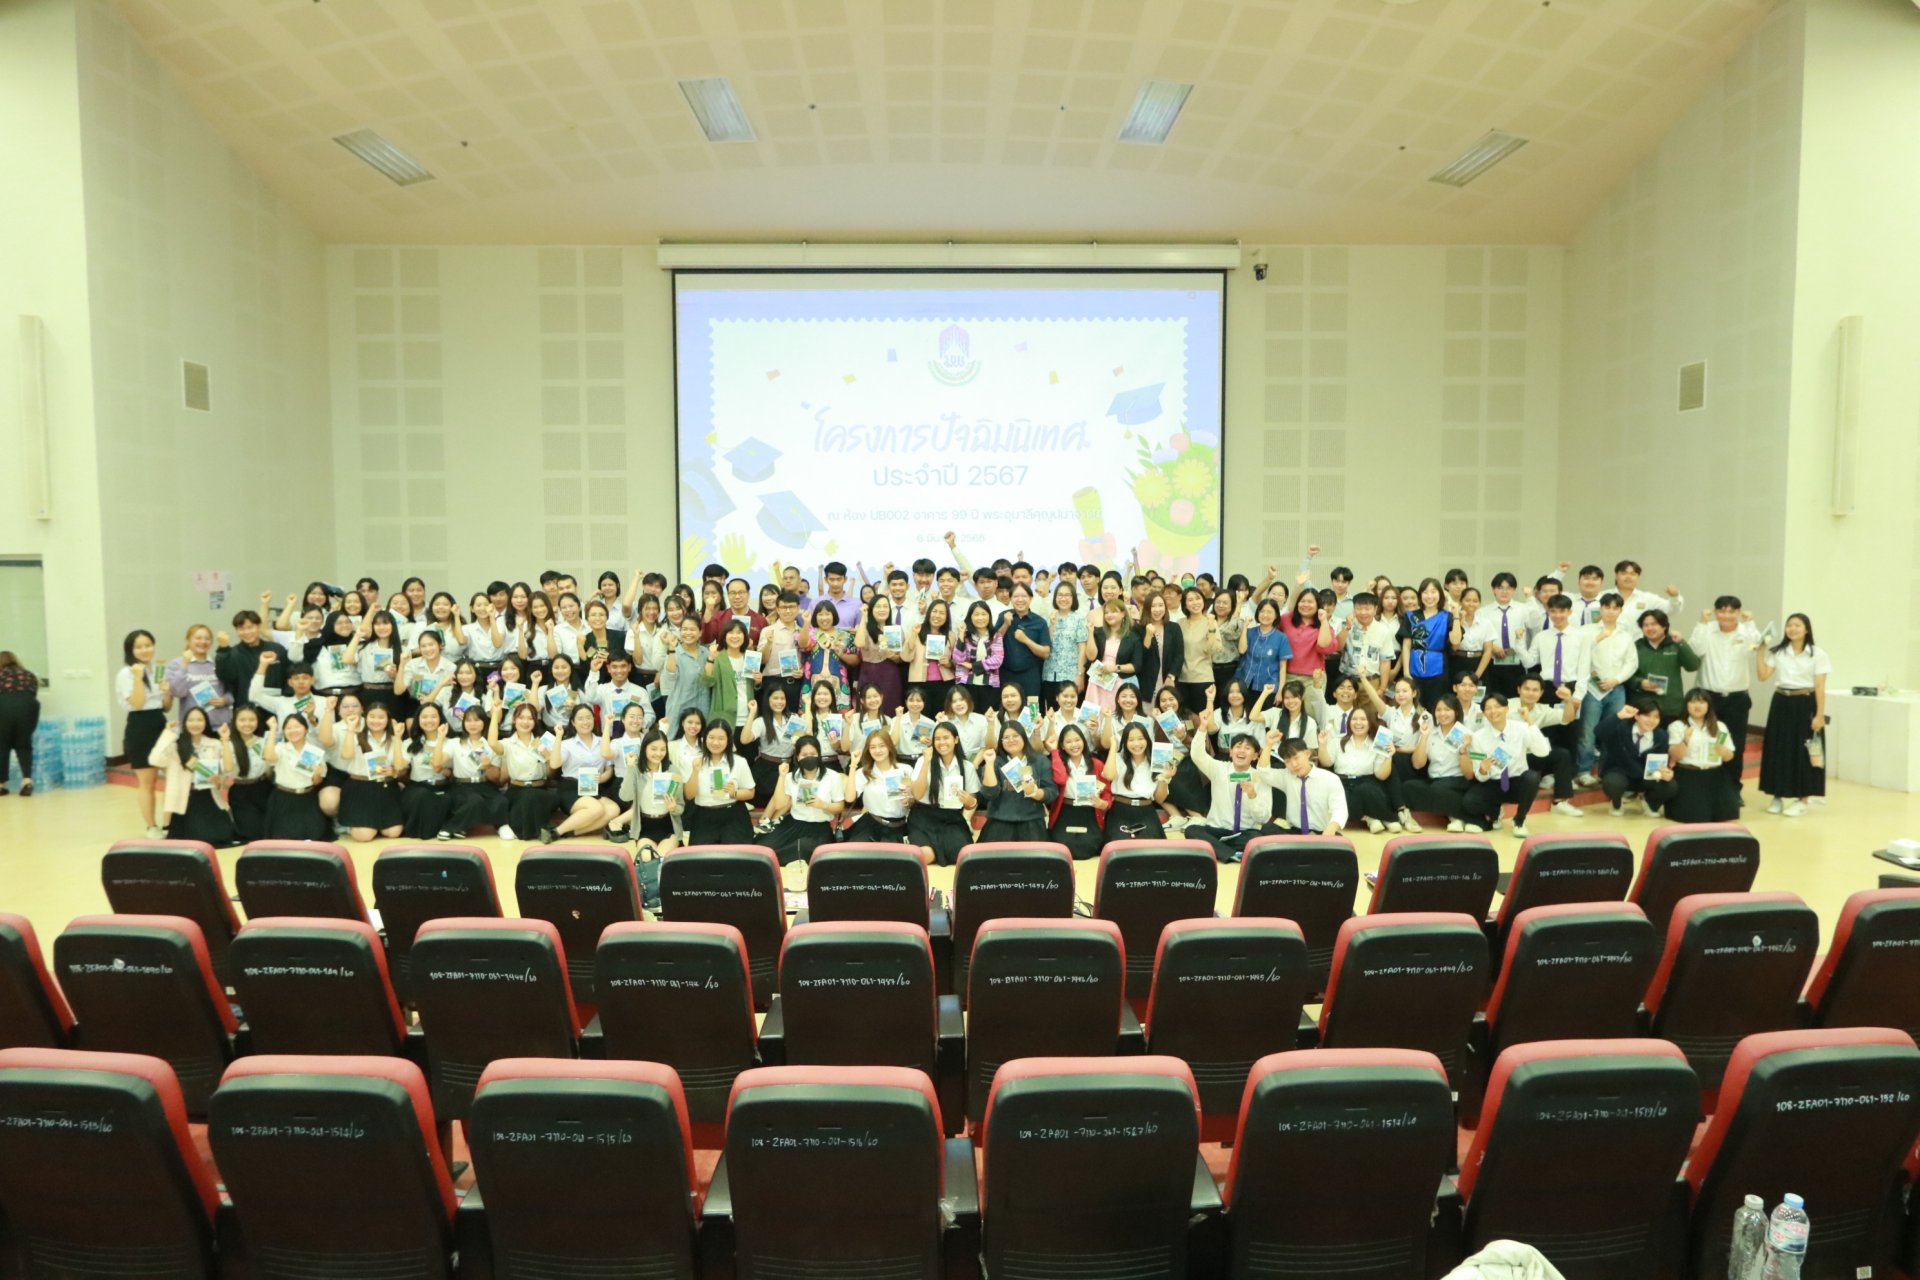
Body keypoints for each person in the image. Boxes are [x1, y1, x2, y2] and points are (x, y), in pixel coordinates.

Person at [1184, 709, 1288, 862]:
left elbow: (1264, 817)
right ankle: (1231, 854)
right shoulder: (1219, 768)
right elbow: (1197, 755)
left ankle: (1220, 849)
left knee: (1259, 837)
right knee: (1192, 830)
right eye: (1238, 747)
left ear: (1255, 756)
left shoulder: (1260, 777)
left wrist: (1252, 795)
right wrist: (1202, 727)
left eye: (1247, 748)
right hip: (1216, 830)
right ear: (1231, 752)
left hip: (1244, 833)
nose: (1242, 751)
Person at [1689, 597, 1762, 804]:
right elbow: (1696, 649)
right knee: (1705, 741)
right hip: (1708, 697)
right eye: (1722, 611)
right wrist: (1702, 622)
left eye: (1732, 612)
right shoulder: (1708, 629)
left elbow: (1754, 646)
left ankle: (1732, 790)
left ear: (1738, 612)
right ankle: (1705, 787)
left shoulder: (1745, 631)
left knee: (1734, 745)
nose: (1727, 616)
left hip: (1737, 698)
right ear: (1715, 611)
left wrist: (1750, 623)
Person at [1756, 613, 1829, 817]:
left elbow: (1820, 686)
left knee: (1804, 752)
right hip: (1781, 702)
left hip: (1805, 702)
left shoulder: (1817, 654)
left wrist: (1820, 715)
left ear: (1806, 629)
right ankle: (1777, 796)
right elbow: (1762, 676)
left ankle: (1803, 799)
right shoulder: (1778, 652)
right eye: (1789, 625)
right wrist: (1760, 652)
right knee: (1777, 747)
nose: (1792, 629)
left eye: (1797, 625)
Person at [1461, 692, 1550, 838]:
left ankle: (1519, 820)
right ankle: (1495, 813)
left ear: (1506, 709)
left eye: (1497, 707)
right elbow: (1480, 775)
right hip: (1494, 783)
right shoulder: (1479, 737)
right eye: (1488, 708)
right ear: (1484, 713)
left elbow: (1543, 752)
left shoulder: (1521, 728)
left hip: (1516, 782)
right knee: (1470, 802)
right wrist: (1483, 770)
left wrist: (1530, 721)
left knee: (1532, 777)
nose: (1493, 711)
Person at [1572, 593, 1635, 788]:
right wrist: (1596, 640)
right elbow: (1576, 656)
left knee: (1613, 732)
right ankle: (1583, 770)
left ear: (1620, 611)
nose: (1610, 611)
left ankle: (1607, 771)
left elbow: (1632, 662)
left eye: (1615, 608)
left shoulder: (1625, 635)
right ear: (1601, 608)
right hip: (1591, 688)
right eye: (1607, 607)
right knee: (1588, 732)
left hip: (1616, 689)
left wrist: (1615, 680)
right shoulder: (1586, 631)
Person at [151, 707, 236, 845]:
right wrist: (167, 733)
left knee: (221, 836)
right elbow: (154, 760)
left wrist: (217, 780)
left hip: (209, 796)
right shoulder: (176, 744)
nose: (195, 723)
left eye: (199, 719)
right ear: (185, 723)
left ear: (206, 722)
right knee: (192, 839)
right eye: (191, 720)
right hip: (185, 799)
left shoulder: (214, 744)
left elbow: (226, 772)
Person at [116, 631, 170, 832]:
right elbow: (137, 704)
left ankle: (169, 824)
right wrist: (138, 678)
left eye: (148, 645)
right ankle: (151, 826)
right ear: (131, 650)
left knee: (172, 777)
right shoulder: (126, 674)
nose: (145, 650)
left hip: (159, 723)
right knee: (148, 782)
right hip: (139, 726)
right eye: (139, 647)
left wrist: (167, 692)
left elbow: (165, 706)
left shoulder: (157, 669)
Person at [761, 736, 843, 867]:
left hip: (819, 827)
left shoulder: (832, 776)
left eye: (813, 754)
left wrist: (823, 805)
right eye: (804, 754)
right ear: (798, 757)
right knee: (764, 849)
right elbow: (779, 804)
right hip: (793, 823)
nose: (809, 757)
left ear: (819, 755)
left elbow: (840, 806)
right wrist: (781, 777)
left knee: (805, 850)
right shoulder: (790, 777)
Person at [908, 721, 979, 865]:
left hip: (951, 817)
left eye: (946, 738)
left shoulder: (967, 766)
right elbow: (916, 794)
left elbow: (972, 804)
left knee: (962, 855)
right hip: (923, 816)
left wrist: (970, 802)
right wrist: (927, 762)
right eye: (937, 739)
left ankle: (938, 850)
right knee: (924, 856)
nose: (941, 742)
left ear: (956, 740)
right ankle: (930, 850)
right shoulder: (923, 761)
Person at [1665, 688, 1739, 823]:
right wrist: (1685, 741)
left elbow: (1729, 757)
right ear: (1686, 705)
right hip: (1688, 774)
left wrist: (1722, 751)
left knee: (1728, 813)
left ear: (1708, 706)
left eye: (1702, 702)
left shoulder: (1720, 727)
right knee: (1696, 816)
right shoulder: (1677, 726)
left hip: (1715, 775)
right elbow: (1675, 756)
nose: (1697, 706)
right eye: (1693, 702)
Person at [1319, 704, 1396, 833]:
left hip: (1367, 783)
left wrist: (1389, 757)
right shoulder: (1338, 740)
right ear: (1349, 722)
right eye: (1354, 719)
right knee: (1341, 797)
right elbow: (1326, 762)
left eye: (1363, 719)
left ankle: (1374, 816)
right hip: (1342, 782)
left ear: (1370, 722)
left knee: (1364, 790)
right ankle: (1369, 817)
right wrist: (1322, 745)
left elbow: (1381, 775)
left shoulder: (1378, 743)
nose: (1358, 723)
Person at [1595, 700, 1677, 819]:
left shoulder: (1661, 736)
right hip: (1619, 772)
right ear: (1637, 715)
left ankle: (1650, 804)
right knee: (1613, 783)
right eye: (1647, 715)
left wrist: (1666, 771)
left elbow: (1661, 759)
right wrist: (1618, 716)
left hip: (1645, 776)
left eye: (1656, 717)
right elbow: (1599, 732)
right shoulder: (1620, 728)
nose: (1651, 720)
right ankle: (1616, 804)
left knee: (1671, 785)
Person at [609, 728, 684, 856]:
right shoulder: (636, 771)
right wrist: (631, 768)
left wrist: (673, 808)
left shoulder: (673, 771)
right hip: (644, 827)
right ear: (644, 749)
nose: (658, 753)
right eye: (653, 749)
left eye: (662, 749)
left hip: (668, 826)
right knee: (647, 860)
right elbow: (625, 797)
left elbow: (680, 807)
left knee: (661, 858)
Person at [489, 701, 556, 844]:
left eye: (530, 718)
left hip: (540, 789)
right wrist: (495, 715)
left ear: (535, 721)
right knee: (524, 797)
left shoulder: (544, 742)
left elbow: (550, 775)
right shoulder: (508, 743)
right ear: (514, 720)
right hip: (517, 790)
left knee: (536, 796)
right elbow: (493, 744)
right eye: (521, 717)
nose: (525, 722)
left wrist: (550, 760)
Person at [336, 703, 405, 842]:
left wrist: (397, 738)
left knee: (394, 832)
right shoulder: (356, 735)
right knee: (364, 836)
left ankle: (374, 824)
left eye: (381, 717)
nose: (376, 721)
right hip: (360, 788)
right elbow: (346, 755)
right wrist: (350, 729)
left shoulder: (393, 738)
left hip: (385, 788)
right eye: (372, 716)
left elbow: (399, 766)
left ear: (388, 720)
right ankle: (352, 826)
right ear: (365, 718)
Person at [262, 709, 332, 840]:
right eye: (288, 728)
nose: (293, 730)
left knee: (315, 837)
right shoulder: (281, 748)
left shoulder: (314, 751)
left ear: (305, 729)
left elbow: (317, 782)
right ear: (284, 731)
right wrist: (272, 729)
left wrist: (316, 774)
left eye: (297, 727)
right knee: (286, 839)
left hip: (307, 799)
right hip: (283, 799)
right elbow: (269, 757)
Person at [1405, 696, 1473, 831]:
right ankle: (1454, 812)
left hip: (1457, 780)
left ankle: (1457, 817)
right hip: (1435, 780)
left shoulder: (1466, 734)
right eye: (1438, 710)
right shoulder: (1430, 732)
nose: (1442, 714)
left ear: (1456, 712)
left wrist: (1463, 751)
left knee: (1438, 789)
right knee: (1409, 787)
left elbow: (1469, 773)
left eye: (1447, 710)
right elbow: (1418, 764)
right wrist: (1424, 737)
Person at [844, 727, 918, 849]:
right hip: (871, 824)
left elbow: (912, 802)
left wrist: (908, 801)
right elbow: (849, 798)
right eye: (873, 747)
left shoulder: (905, 770)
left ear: (889, 747)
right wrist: (853, 765)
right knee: (856, 857)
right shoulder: (864, 772)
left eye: (882, 746)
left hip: (898, 827)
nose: (877, 751)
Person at [687, 719, 756, 844]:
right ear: (704, 738)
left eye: (721, 738)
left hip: (733, 814)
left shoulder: (739, 762)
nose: (715, 742)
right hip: (704, 816)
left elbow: (750, 793)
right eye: (711, 737)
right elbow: (689, 795)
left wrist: (734, 793)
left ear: (728, 740)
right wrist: (695, 771)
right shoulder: (695, 761)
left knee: (736, 857)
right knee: (701, 860)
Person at [1102, 722, 1171, 846]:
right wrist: (1113, 746)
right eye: (1131, 740)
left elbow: (1159, 799)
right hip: (1120, 810)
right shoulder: (1118, 757)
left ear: (1147, 740)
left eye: (1140, 739)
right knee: (1119, 846)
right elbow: (1109, 775)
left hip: (1146, 811)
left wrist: (1165, 778)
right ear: (1125, 742)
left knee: (1151, 848)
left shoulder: (1158, 760)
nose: (1136, 744)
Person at [444, 705, 507, 840]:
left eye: (477, 720)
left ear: (484, 722)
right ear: (463, 723)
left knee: (501, 801)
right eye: (468, 720)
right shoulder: (455, 742)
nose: (472, 724)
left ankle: (465, 827)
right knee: (474, 801)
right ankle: (451, 827)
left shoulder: (491, 745)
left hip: (484, 784)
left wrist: (489, 766)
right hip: (461, 785)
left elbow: (496, 779)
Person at [1047, 722, 1108, 859]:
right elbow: (1061, 779)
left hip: (1089, 810)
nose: (1074, 745)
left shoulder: (1096, 764)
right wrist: (1054, 752)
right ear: (1062, 745)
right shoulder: (1058, 762)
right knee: (1062, 845)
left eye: (1077, 740)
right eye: (1068, 742)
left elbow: (1107, 792)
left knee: (1089, 846)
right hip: (1065, 810)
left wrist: (1103, 803)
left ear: (1084, 742)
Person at [1630, 609, 1698, 722]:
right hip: (1642, 710)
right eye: (1645, 625)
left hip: (1671, 708)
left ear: (1664, 626)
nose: (1650, 628)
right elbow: (1626, 676)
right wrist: (1640, 683)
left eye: (1654, 624)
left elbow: (1693, 666)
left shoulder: (1675, 644)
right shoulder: (1635, 647)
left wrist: (1681, 642)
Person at [398, 704, 455, 840]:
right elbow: (400, 767)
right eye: (424, 717)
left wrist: (444, 770)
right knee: (422, 796)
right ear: (418, 719)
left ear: (440, 719)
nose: (429, 720)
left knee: (450, 797)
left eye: (433, 716)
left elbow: (451, 772)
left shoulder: (451, 742)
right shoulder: (409, 742)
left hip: (443, 785)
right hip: (418, 787)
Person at [1273, 735, 1348, 836]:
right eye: (1288, 761)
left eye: (1296, 758)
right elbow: (1263, 771)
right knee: (1268, 830)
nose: (1294, 764)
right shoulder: (1286, 776)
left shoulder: (1330, 779)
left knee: (1341, 846)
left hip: (1321, 832)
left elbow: (1340, 809)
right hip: (1294, 832)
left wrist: (1331, 828)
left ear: (1307, 753)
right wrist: (1269, 745)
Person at [164, 624, 232, 731]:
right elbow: (177, 692)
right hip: (192, 726)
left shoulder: (218, 662)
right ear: (188, 640)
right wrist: (184, 665)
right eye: (198, 638)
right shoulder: (176, 664)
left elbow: (234, 687)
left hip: (220, 726)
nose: (203, 642)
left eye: (207, 638)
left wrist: (226, 699)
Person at [220, 706, 273, 842]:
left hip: (263, 789)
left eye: (251, 720)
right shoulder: (229, 744)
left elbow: (270, 764)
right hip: (240, 793)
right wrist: (225, 740)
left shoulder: (262, 742)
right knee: (253, 834)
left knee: (271, 832)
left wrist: (273, 730)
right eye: (242, 720)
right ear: (235, 722)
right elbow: (227, 768)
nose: (247, 724)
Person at [998, 584, 1051, 701]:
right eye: (1016, 596)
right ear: (1011, 599)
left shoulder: (1040, 622)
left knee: (1032, 712)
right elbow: (993, 643)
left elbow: (1046, 653)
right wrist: (1006, 625)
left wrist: (1026, 640)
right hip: (1006, 674)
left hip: (1030, 675)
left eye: (1024, 596)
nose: (1020, 600)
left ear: (1031, 598)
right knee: (1008, 708)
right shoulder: (1003, 616)